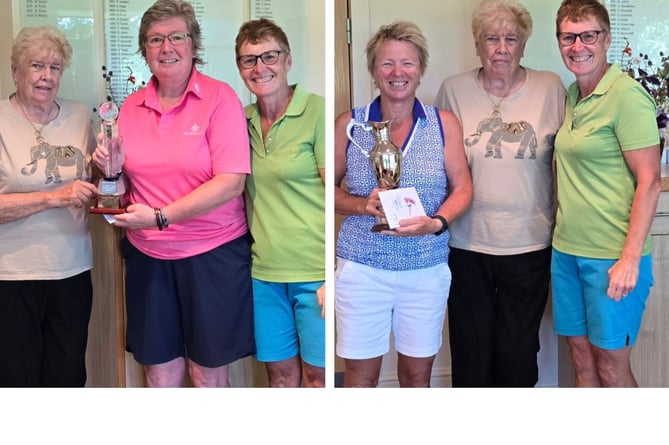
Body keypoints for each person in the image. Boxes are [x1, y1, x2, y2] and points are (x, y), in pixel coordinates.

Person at [92, 0, 254, 387]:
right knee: (160, 374)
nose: (167, 47)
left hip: (212, 255)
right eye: (155, 39)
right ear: (144, 51)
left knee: (206, 375)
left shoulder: (221, 98)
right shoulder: (129, 108)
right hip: (149, 258)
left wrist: (162, 215)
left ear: (194, 44)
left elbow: (231, 180)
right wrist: (111, 170)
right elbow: (126, 184)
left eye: (177, 37)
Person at [434, 0, 567, 387]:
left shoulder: (550, 88)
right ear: (477, 44)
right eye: (491, 39)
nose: (502, 48)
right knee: (471, 352)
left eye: (511, 38)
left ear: (524, 44)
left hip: (529, 243)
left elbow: (569, 156)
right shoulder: (453, 90)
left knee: (518, 353)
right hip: (466, 243)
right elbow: (441, 165)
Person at [334, 20, 473, 387]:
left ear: (421, 69)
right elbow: (325, 191)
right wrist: (362, 205)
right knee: (361, 379)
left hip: (425, 269)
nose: (398, 73)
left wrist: (436, 223)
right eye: (387, 64)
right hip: (363, 268)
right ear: (373, 71)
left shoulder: (444, 124)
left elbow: (462, 188)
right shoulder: (351, 125)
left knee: (416, 378)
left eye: (407, 63)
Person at [552, 0, 660, 387]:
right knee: (581, 359)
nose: (578, 45)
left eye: (588, 36)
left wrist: (630, 257)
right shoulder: (571, 95)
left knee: (612, 366)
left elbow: (650, 180)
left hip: (613, 257)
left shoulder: (627, 97)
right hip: (566, 252)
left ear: (607, 39)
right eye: (569, 36)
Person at [0, 26, 98, 387]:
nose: (46, 76)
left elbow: (99, 177)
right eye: (36, 66)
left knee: (67, 376)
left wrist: (113, 164)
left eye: (55, 68)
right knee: (15, 380)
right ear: (15, 71)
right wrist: (53, 198)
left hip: (71, 270)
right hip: (11, 277)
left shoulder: (79, 116)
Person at [235, 18, 326, 387]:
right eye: (248, 60)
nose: (260, 68)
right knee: (280, 379)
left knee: (318, 378)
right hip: (264, 275)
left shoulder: (317, 112)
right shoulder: (240, 120)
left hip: (315, 274)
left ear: (288, 60)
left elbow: (338, 195)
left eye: (269, 56)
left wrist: (335, 272)